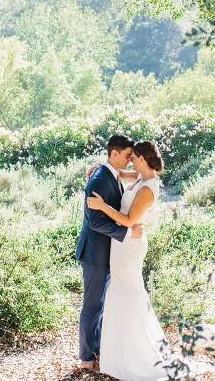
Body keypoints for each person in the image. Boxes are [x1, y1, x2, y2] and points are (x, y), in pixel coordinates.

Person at [86, 140, 167, 381]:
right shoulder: (141, 177)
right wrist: (101, 166)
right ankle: (118, 355)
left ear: (142, 159)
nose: (130, 160)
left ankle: (137, 356)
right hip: (122, 246)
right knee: (120, 293)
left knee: (129, 294)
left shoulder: (146, 187)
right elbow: (118, 172)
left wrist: (102, 206)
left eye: (133, 157)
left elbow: (129, 221)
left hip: (129, 246)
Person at [75, 134, 144, 372]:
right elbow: (95, 221)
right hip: (95, 253)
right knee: (93, 306)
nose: (129, 161)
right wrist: (126, 232)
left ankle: (98, 352)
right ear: (114, 153)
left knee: (102, 305)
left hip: (106, 253)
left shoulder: (110, 175)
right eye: (127, 156)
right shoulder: (100, 179)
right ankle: (86, 358)